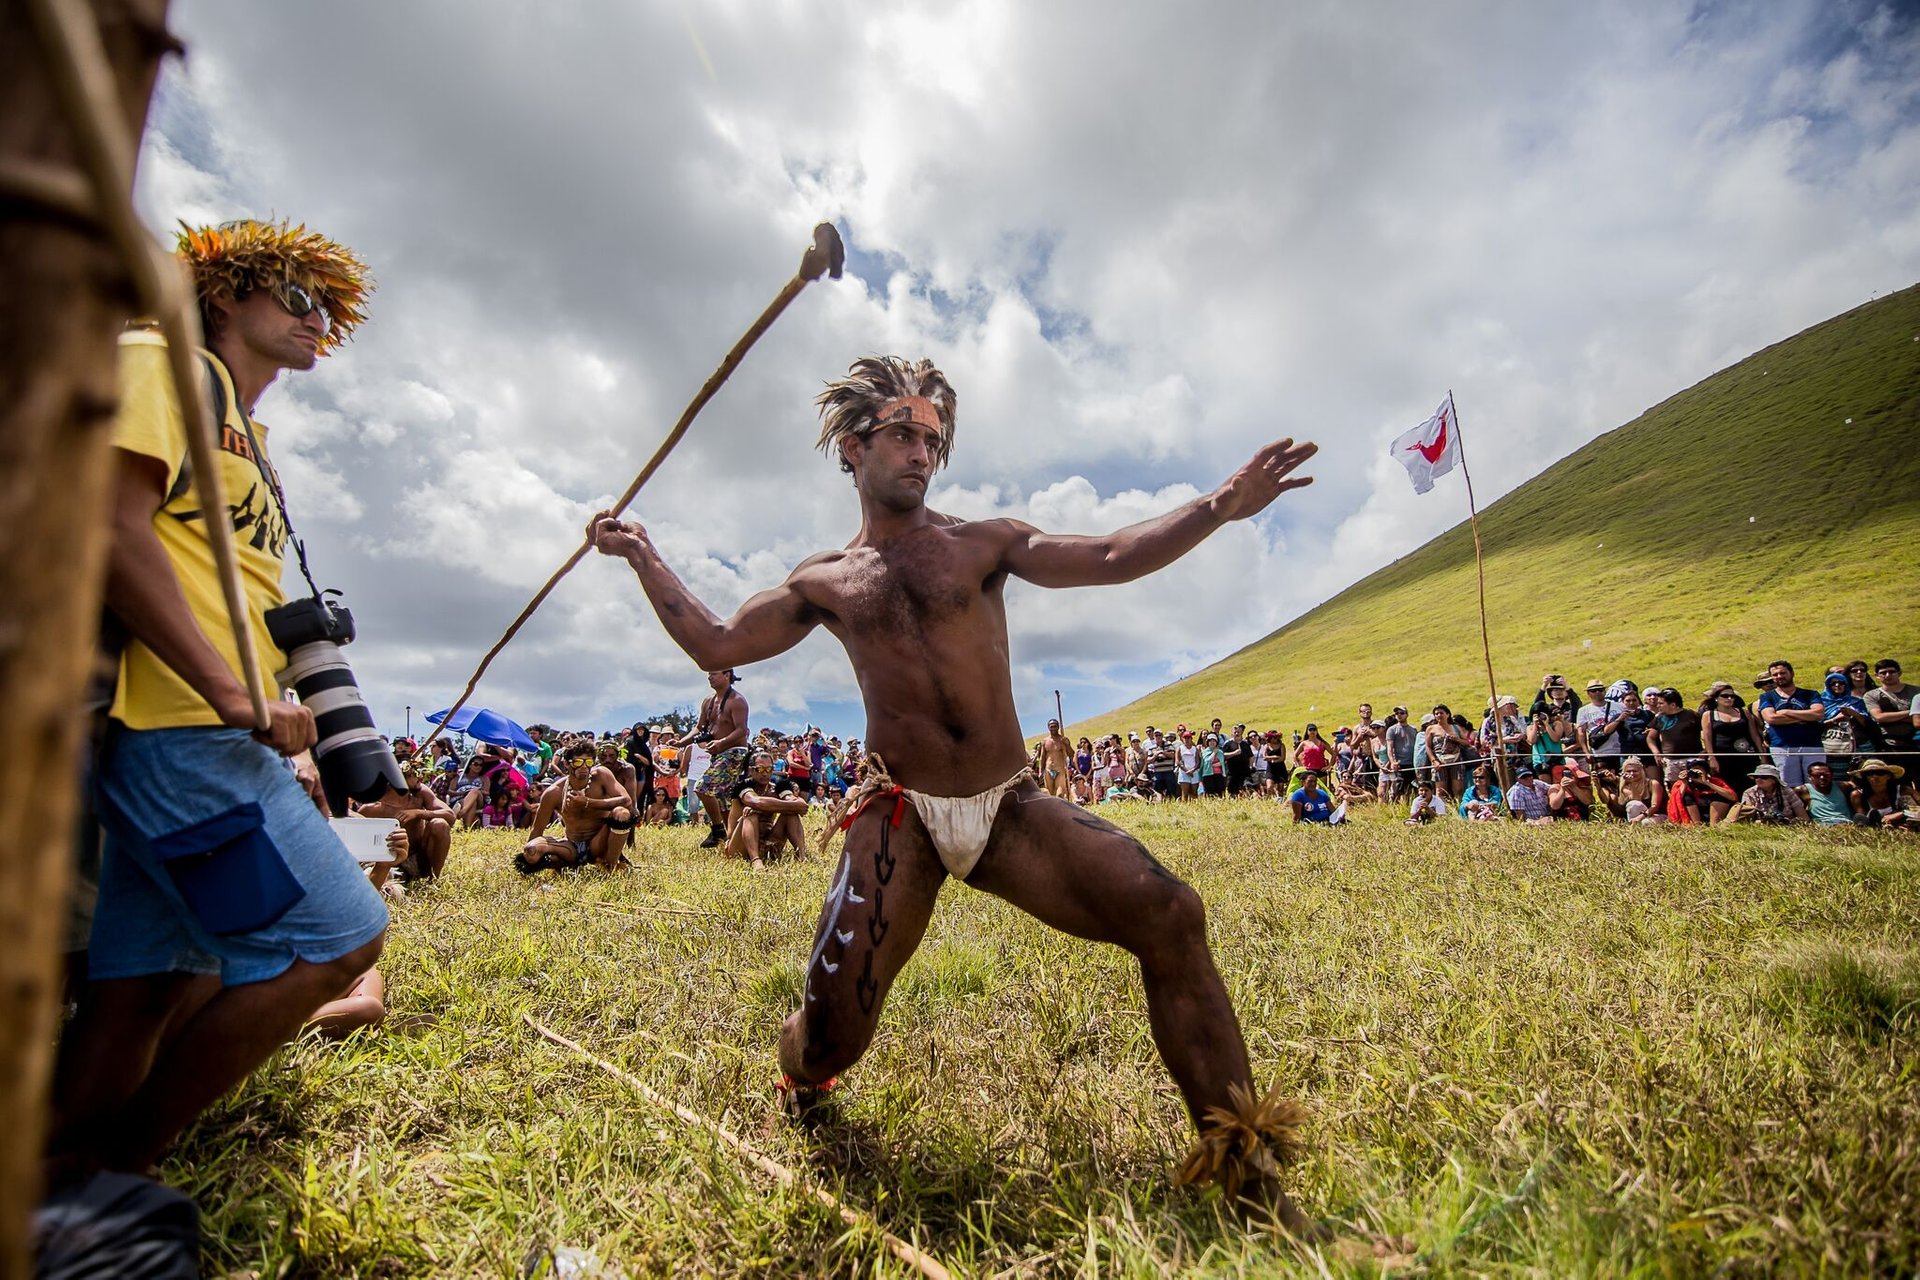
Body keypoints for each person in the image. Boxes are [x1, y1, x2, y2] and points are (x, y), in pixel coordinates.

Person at [588, 353, 1321, 1222]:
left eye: (932, 438)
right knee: (830, 1037)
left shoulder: (984, 543)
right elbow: (717, 644)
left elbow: (1114, 553)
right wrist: (640, 552)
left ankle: (1247, 1169)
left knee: (1170, 911)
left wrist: (1216, 506)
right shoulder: (823, 580)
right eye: (903, 433)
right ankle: (798, 1072)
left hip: (1007, 807)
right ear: (852, 450)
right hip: (898, 818)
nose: (922, 452)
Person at [50, 219, 388, 1182]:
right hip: (182, 726)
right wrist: (230, 689)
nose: (316, 318)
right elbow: (115, 530)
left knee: (153, 981)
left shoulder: (248, 433)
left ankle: (56, 1166)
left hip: (200, 722)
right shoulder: (165, 365)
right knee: (344, 938)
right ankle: (122, 1162)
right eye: (293, 295)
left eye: (327, 306)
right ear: (227, 295)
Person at [517, 744, 632, 872]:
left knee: (622, 813)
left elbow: (626, 800)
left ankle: (611, 865)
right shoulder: (554, 792)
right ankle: (563, 864)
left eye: (588, 762)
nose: (584, 767)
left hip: (599, 843)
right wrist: (530, 858)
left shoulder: (601, 775)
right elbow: (537, 830)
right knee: (531, 851)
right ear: (566, 764)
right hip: (572, 847)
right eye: (578, 762)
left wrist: (587, 802)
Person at [680, 670, 750, 848]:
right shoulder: (708, 701)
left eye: (714, 673)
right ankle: (730, 839)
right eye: (709, 674)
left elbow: (742, 730)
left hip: (735, 752)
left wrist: (721, 742)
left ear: (727, 675)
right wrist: (681, 742)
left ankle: (718, 829)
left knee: (702, 788)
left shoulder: (737, 701)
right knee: (723, 800)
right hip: (717, 753)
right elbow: (699, 728)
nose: (710, 677)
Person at [354, 767, 454, 880]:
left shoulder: (420, 793)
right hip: (385, 861)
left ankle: (433, 878)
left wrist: (418, 813)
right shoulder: (371, 808)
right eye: (414, 774)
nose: (420, 777)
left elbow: (450, 816)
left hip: (416, 857)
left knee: (440, 824)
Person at [726, 750, 809, 868]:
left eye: (769, 769)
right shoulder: (743, 786)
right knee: (750, 812)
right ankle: (756, 861)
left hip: (769, 842)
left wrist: (791, 806)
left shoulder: (778, 788)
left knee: (791, 814)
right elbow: (756, 801)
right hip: (740, 847)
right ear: (751, 770)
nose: (765, 773)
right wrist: (792, 806)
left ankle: (801, 856)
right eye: (760, 769)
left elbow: (802, 805)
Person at [1755, 661, 1826, 786]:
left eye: (1783, 673)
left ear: (1792, 673)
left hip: (1812, 745)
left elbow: (1818, 714)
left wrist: (1786, 712)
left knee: (1816, 784)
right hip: (1782, 746)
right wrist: (1805, 717)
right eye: (1775, 674)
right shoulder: (1767, 697)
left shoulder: (1810, 694)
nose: (1779, 676)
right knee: (1790, 786)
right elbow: (1771, 718)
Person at [1863, 659, 1919, 784]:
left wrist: (1891, 717)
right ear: (1877, 675)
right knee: (1897, 782)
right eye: (1883, 673)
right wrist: (1912, 712)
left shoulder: (1916, 692)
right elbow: (1879, 717)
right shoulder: (1871, 695)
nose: (1888, 675)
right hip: (1890, 744)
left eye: (1891, 672)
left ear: (1899, 673)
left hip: (1915, 742)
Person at [1701, 685, 1761, 796]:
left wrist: (1763, 756)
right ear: (1716, 698)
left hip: (1747, 757)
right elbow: (1707, 738)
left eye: (1732, 696)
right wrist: (1712, 758)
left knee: (1750, 787)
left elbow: (1755, 736)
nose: (1729, 699)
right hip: (1723, 759)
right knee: (1727, 789)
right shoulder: (1708, 715)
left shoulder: (1744, 713)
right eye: (1725, 696)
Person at [1819, 669, 1874, 779]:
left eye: (1841, 683)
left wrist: (1855, 714)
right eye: (1833, 683)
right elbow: (1817, 726)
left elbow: (1867, 724)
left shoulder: (1856, 701)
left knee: (1865, 776)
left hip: (1860, 744)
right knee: (1839, 778)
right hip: (1834, 745)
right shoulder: (1820, 702)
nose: (1837, 686)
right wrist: (1835, 719)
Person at [1645, 688, 1704, 783]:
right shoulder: (1660, 718)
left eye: (1661, 703)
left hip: (1693, 758)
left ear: (1673, 705)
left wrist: (1705, 751)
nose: (1658, 705)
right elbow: (1650, 738)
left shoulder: (1691, 715)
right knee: (1674, 789)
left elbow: (1706, 733)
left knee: (1697, 786)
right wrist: (1656, 752)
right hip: (1670, 761)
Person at [1732, 763, 1809, 824]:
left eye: (1764, 777)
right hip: (1760, 827)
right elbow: (1746, 818)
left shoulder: (1787, 791)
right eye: (1756, 777)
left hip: (1787, 826)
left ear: (1774, 780)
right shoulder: (1749, 793)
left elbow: (1802, 816)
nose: (1759, 779)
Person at [1425, 705, 1474, 802]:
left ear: (1447, 714)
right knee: (1440, 791)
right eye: (1436, 713)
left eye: (1441, 713)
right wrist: (1434, 761)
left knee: (1458, 789)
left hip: (1456, 760)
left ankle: (1459, 809)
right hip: (1439, 760)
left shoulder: (1456, 727)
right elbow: (1428, 747)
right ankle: (1441, 811)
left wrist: (1457, 739)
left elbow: (1467, 743)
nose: (1439, 715)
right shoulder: (1431, 729)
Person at [1665, 760, 1736, 825]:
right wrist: (1684, 783)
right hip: (1696, 813)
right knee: (1687, 798)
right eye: (1693, 770)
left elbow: (1732, 797)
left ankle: (1714, 825)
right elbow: (1676, 801)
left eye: (1699, 769)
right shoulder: (1682, 783)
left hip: (1714, 811)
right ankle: (1697, 825)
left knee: (1721, 796)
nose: (1696, 772)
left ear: (1706, 772)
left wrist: (1706, 782)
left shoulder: (1715, 781)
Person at [1595, 756, 1666, 822]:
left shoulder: (1653, 783)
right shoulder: (1623, 785)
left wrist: (1640, 817)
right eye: (1628, 771)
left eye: (1635, 771)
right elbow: (1636, 803)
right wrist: (1597, 784)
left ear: (1642, 771)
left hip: (1656, 815)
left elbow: (1655, 806)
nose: (1631, 773)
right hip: (1636, 818)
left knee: (1645, 822)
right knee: (1634, 805)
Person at [1849, 759, 1912, 829]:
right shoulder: (1858, 795)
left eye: (1880, 773)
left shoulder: (1903, 790)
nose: (1875, 776)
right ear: (1866, 777)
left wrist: (1900, 814)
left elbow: (1917, 810)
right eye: (1870, 773)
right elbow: (1863, 819)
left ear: (1888, 776)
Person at [1800, 761, 1859, 827]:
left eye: (1826, 775)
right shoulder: (1803, 791)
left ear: (1832, 776)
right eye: (1817, 775)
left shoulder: (1843, 787)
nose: (1822, 778)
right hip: (1821, 826)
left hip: (1846, 824)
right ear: (1810, 777)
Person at [1037, 719, 1073, 798]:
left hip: (1060, 769)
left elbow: (1071, 754)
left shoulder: (1063, 740)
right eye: (1051, 726)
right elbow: (1042, 757)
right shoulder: (1045, 741)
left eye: (1055, 726)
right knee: (1051, 794)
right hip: (1048, 769)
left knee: (1060, 794)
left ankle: (1061, 806)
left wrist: (1067, 745)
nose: (1053, 728)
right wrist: (1040, 771)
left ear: (1058, 727)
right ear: (1048, 728)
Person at [1174, 726, 1202, 800]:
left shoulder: (1194, 749)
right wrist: (1186, 770)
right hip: (1184, 773)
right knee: (1184, 793)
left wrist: (1192, 770)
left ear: (1191, 739)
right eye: (1185, 738)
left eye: (1188, 738)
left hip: (1194, 772)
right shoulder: (1180, 749)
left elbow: (1198, 761)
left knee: (1194, 792)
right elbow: (1177, 761)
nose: (1187, 739)